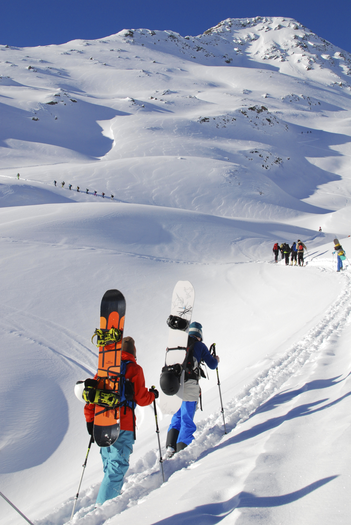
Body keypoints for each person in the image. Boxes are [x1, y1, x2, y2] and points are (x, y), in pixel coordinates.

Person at [84, 336, 157, 505]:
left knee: (110, 467)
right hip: (123, 425)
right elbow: (141, 398)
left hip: (102, 422)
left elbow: (91, 395)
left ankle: (106, 503)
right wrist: (153, 395)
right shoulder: (135, 369)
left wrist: (90, 421)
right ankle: (102, 512)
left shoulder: (105, 368)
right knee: (116, 470)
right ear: (133, 352)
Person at [165, 322, 219, 457]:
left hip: (176, 386)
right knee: (187, 418)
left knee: (177, 416)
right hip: (190, 387)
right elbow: (212, 365)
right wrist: (216, 359)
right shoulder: (200, 345)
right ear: (200, 334)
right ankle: (183, 449)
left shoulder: (179, 346)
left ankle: (170, 446)